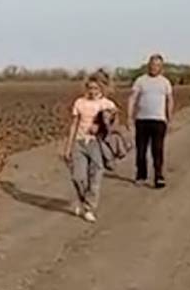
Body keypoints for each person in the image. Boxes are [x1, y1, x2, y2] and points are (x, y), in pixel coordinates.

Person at [62, 75, 118, 222]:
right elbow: (74, 125)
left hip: (96, 144)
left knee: (95, 177)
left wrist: (100, 126)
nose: (93, 91)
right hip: (79, 142)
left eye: (96, 88)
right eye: (90, 88)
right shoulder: (79, 103)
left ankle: (89, 207)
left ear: (101, 89)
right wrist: (68, 147)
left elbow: (114, 124)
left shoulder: (107, 104)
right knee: (78, 177)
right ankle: (82, 200)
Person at [127, 53, 175, 188]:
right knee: (141, 150)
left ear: (161, 67)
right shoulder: (140, 81)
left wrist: (169, 118)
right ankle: (141, 175)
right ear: (149, 65)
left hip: (159, 120)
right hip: (142, 120)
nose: (155, 67)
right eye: (153, 64)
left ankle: (158, 176)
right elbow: (132, 98)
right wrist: (129, 117)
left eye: (158, 65)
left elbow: (169, 100)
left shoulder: (165, 82)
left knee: (157, 150)